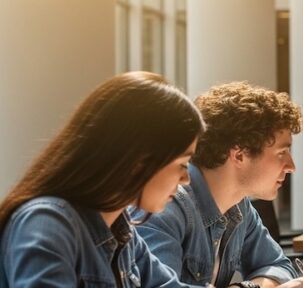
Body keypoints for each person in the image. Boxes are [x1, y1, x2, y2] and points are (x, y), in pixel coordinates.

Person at [0, 71, 203, 287]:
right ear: (139, 159)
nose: (186, 179)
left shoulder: (123, 233)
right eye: (183, 164)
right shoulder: (48, 225)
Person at [135, 82, 303, 288]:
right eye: (282, 153)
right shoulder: (165, 206)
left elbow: (279, 266)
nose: (291, 167)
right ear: (239, 155)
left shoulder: (239, 205)